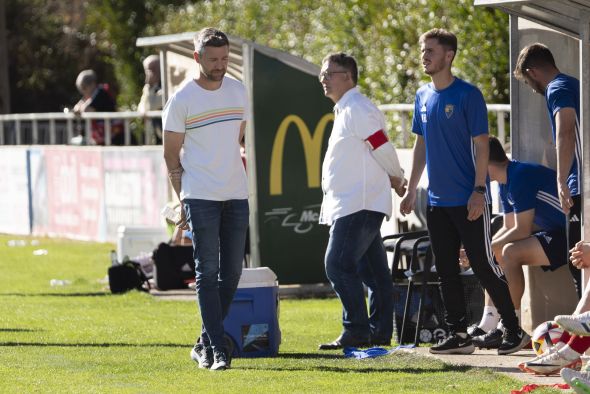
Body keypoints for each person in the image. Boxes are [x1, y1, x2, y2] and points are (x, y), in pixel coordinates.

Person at [400, 28, 529, 355]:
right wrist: (410, 188)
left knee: (484, 266)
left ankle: (513, 330)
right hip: (437, 201)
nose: (424, 55)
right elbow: (420, 145)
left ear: (449, 56)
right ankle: (458, 333)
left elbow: (482, 147)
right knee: (445, 270)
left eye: (431, 50)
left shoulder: (468, 95)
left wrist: (478, 189)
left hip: (469, 199)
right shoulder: (422, 96)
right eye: (422, 50)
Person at [162, 27, 249, 371]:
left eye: (225, 58)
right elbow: (171, 156)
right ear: (197, 58)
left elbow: (237, 139)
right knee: (206, 270)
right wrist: (182, 198)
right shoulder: (182, 99)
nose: (220, 65)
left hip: (236, 192)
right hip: (200, 195)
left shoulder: (238, 91)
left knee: (231, 274)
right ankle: (217, 350)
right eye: (213, 59)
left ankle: (203, 343)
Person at [316, 52, 407, 350]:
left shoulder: (356, 107)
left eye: (330, 73)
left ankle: (356, 329)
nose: (323, 78)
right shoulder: (348, 108)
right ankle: (378, 333)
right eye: (322, 72)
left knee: (337, 266)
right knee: (374, 274)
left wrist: (396, 176)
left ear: (348, 76)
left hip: (360, 203)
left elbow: (380, 144)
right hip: (357, 201)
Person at [469, 136, 567, 350]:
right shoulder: (505, 182)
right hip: (553, 232)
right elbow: (509, 227)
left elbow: (521, 230)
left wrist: (483, 250)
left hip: (571, 234)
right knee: (497, 252)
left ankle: (510, 327)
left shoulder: (520, 175)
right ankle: (489, 323)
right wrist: (484, 249)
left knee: (510, 252)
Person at [513, 43, 582, 298]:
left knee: (578, 260)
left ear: (532, 72)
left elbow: (565, 130)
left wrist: (561, 179)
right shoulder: (574, 83)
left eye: (528, 82)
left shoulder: (557, 87)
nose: (532, 89)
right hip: (581, 182)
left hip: (580, 185)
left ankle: (584, 331)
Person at [72, 69, 125, 145]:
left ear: (92, 84)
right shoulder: (92, 94)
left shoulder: (100, 92)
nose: (83, 92)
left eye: (84, 88)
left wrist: (80, 107)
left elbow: (86, 109)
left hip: (116, 137)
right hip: (106, 136)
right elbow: (77, 107)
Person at [138, 54, 163, 143]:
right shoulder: (148, 88)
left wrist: (150, 86)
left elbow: (151, 106)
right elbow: (141, 107)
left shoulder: (166, 87)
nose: (150, 73)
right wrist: (149, 87)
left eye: (154, 69)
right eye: (148, 70)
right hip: (154, 136)